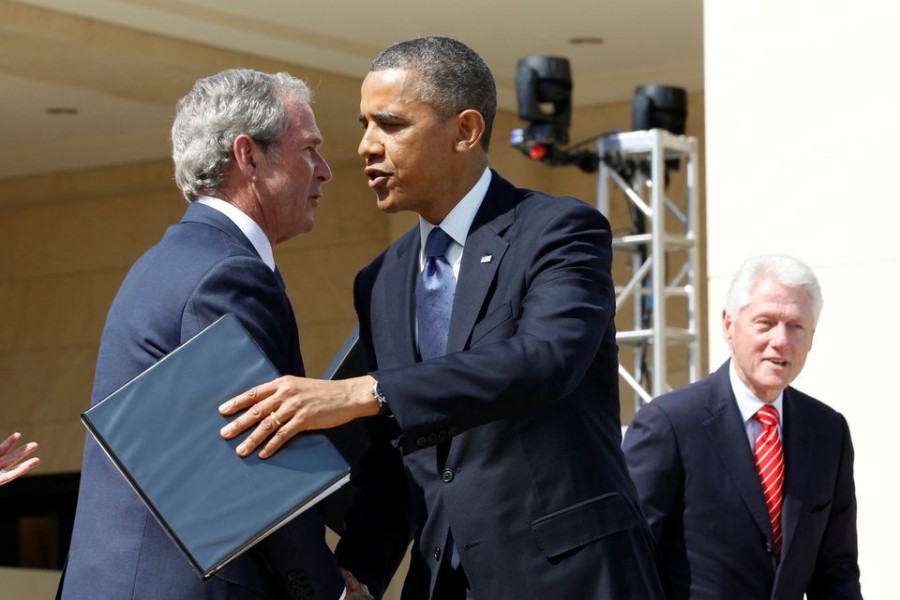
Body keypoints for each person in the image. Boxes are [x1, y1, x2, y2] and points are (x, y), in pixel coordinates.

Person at [219, 36, 669, 600]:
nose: (365, 146)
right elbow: (393, 457)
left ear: (465, 131)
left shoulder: (559, 229)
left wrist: (368, 390)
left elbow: (547, 359)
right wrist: (356, 573)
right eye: (364, 125)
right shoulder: (379, 279)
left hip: (572, 577)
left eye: (390, 124)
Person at [61, 69, 370, 600]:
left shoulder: (178, 259)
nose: (325, 171)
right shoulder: (226, 272)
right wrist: (329, 592)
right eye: (310, 149)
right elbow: (257, 452)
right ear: (248, 157)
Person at [622, 254, 861, 599]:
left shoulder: (828, 431)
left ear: (811, 338)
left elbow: (836, 569)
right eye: (765, 323)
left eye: (796, 326)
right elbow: (629, 557)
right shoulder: (669, 424)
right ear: (728, 326)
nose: (781, 340)